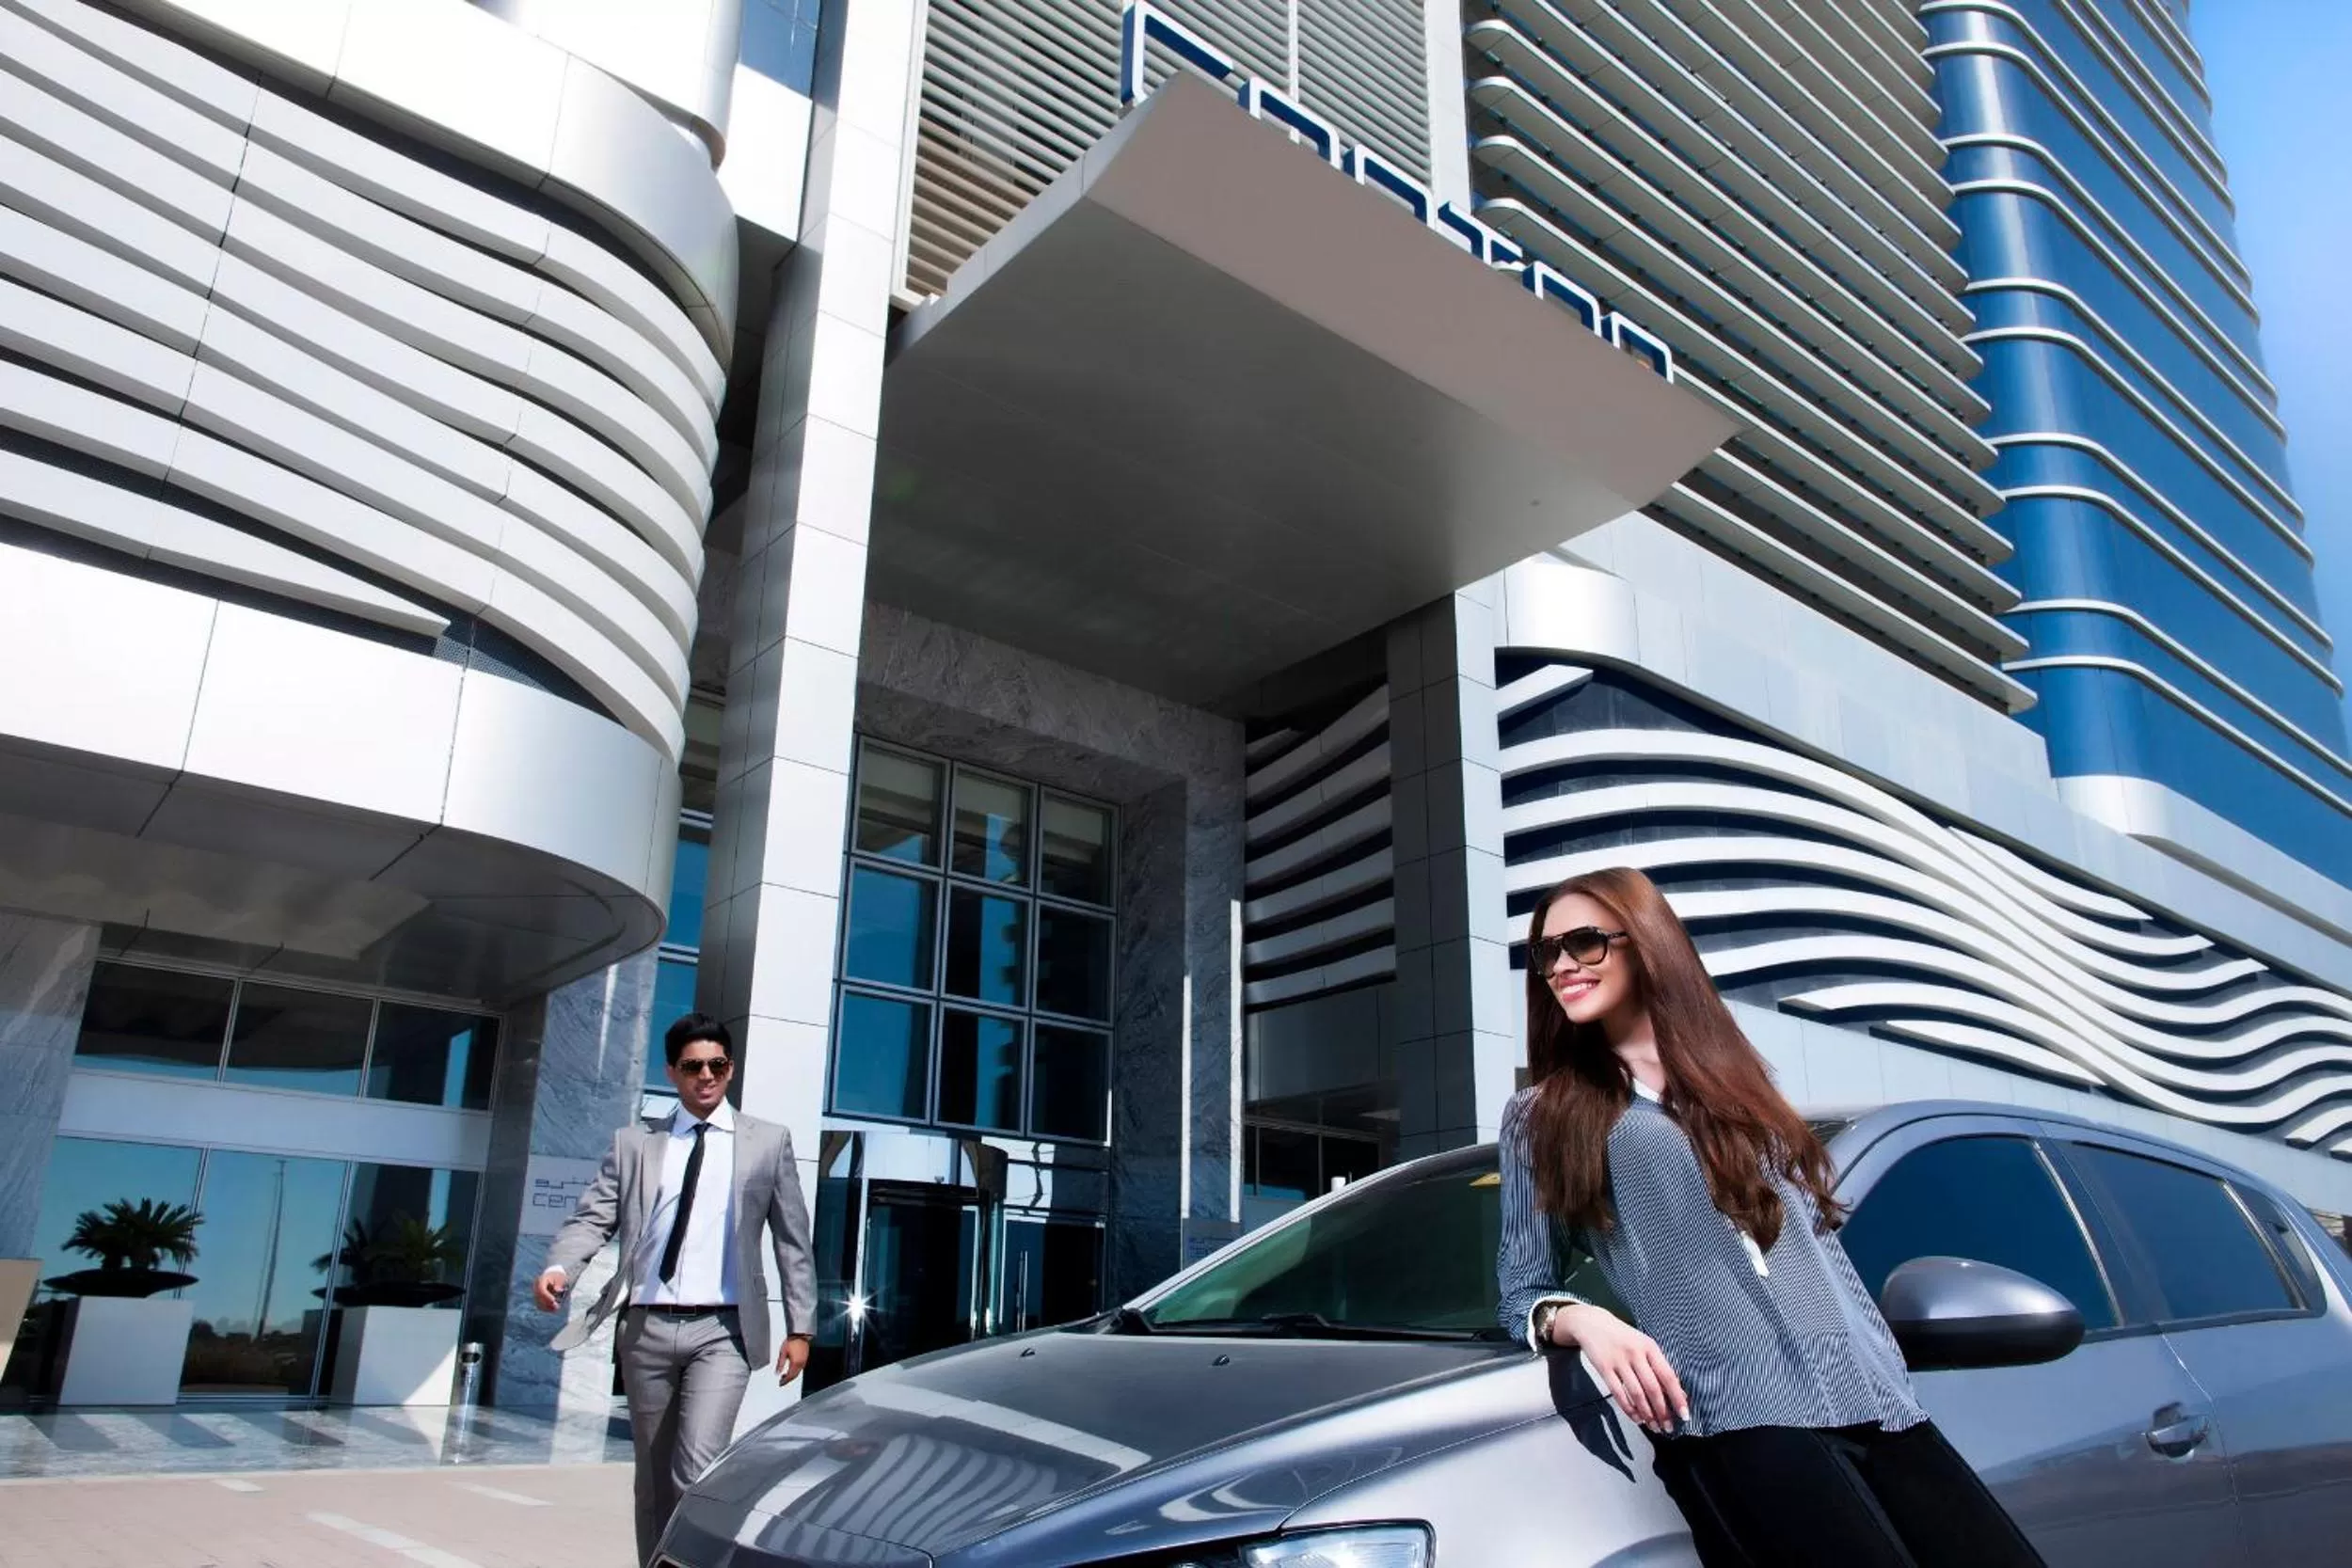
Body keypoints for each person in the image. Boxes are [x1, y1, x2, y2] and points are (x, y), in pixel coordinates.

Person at [1496, 867, 2046, 1568]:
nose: (1562, 965)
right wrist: (1587, 1320)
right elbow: (1520, 1287)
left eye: (1584, 942)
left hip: (1871, 1396)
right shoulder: (1543, 1114)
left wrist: (1886, 1365)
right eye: (1548, 953)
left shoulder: (1742, 1089)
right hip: (1739, 1413)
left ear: (1648, 944)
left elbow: (1824, 1253)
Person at [535, 1012, 818, 1567]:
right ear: (672, 1072)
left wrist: (801, 1326)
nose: (706, 1076)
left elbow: (793, 1239)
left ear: (730, 1069)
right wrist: (560, 1268)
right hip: (647, 1326)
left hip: (724, 1331)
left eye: (717, 1065)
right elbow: (593, 1218)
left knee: (697, 1469)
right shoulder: (636, 1144)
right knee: (654, 1476)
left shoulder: (767, 1142)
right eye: (693, 1067)